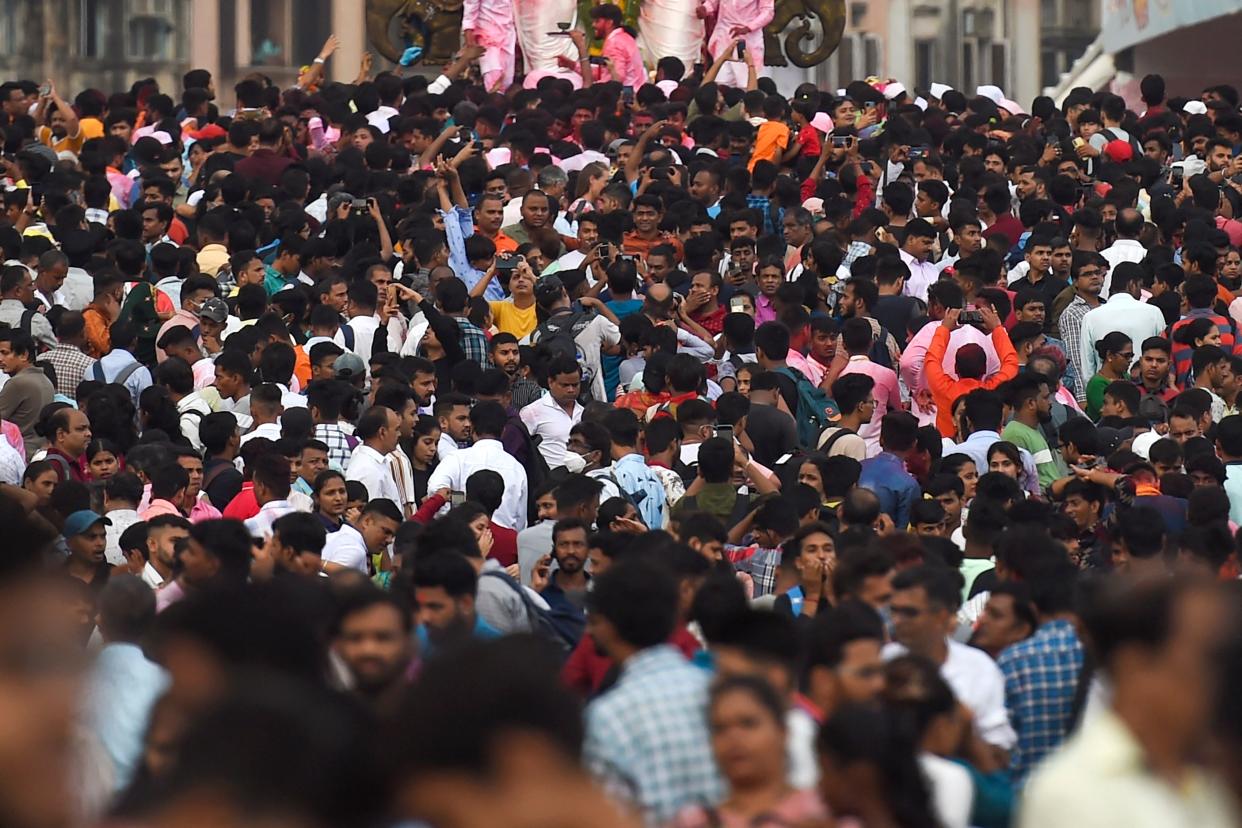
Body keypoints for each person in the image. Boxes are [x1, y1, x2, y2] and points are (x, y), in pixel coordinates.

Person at [1021, 578, 1235, 828]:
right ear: (1135, 666)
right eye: (1208, 659)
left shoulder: (1209, 778)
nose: (1221, 679)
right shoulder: (1074, 793)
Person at [583, 559, 722, 823]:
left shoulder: (608, 715)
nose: (588, 631)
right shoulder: (715, 689)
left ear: (610, 625)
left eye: (594, 620)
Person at [883, 564, 1016, 753]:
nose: (897, 620)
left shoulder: (979, 668)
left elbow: (999, 749)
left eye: (909, 613)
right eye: (894, 611)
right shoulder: (883, 662)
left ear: (941, 616)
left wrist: (964, 727)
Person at [670, 676, 828, 827]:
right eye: (720, 728)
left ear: (783, 731)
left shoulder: (819, 813)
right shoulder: (694, 822)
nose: (733, 738)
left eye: (748, 724)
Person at [427, 401, 528, 531]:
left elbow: (435, 490)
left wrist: (452, 520)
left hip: (461, 538)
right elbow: (520, 519)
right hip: (502, 540)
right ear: (503, 431)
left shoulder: (456, 459)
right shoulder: (517, 468)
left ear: (472, 427)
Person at [331, 587, 414, 714]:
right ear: (337, 645)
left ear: (409, 642)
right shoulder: (321, 717)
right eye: (355, 638)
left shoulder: (438, 712)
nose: (368, 650)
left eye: (383, 638)